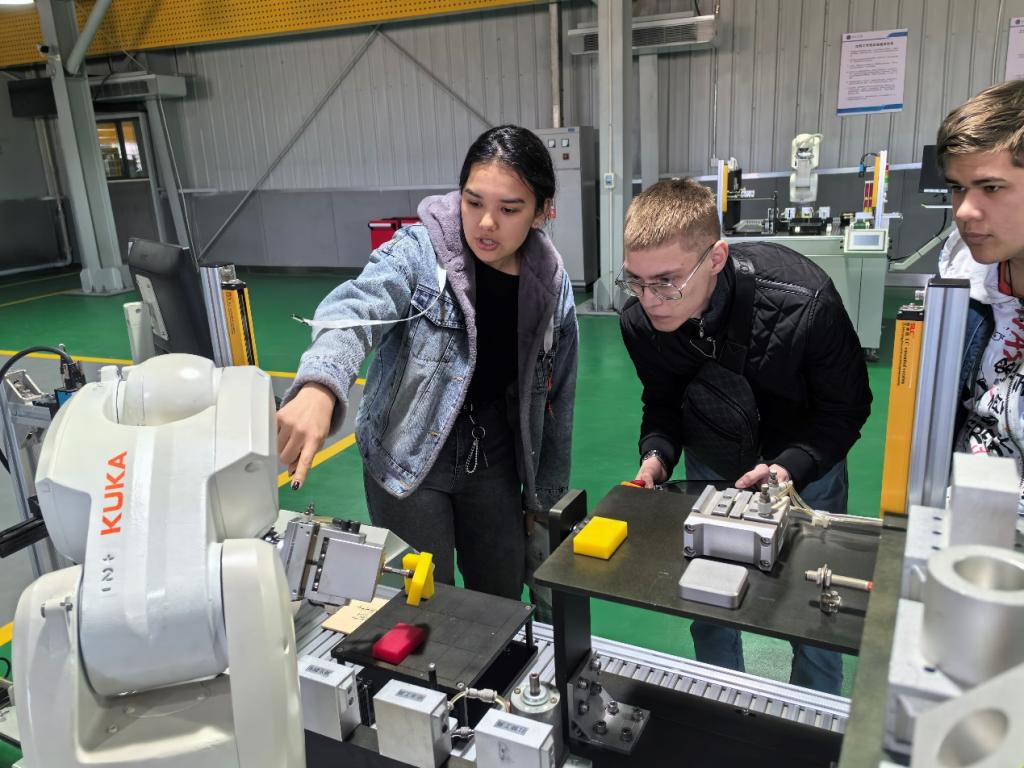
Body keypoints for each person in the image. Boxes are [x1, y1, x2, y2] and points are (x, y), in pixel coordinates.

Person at [277, 125, 578, 612]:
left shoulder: (551, 285)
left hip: (494, 460)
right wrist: (320, 386)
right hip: (407, 455)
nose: (486, 223)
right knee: (426, 603)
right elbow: (357, 307)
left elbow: (557, 400)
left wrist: (541, 502)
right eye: (473, 202)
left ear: (543, 211)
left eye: (509, 209)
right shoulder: (418, 253)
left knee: (498, 600)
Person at [618, 177, 871, 694]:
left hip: (805, 472)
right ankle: (723, 705)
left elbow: (845, 410)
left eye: (666, 281)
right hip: (714, 466)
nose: (650, 300)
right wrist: (656, 457)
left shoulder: (806, 301)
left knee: (816, 608)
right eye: (635, 282)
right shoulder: (641, 321)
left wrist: (789, 468)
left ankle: (812, 719)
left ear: (715, 258)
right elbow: (662, 402)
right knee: (709, 602)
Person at [936, 79, 1024, 509]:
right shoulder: (967, 280)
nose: (964, 211)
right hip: (969, 510)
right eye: (957, 187)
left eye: (991, 187)